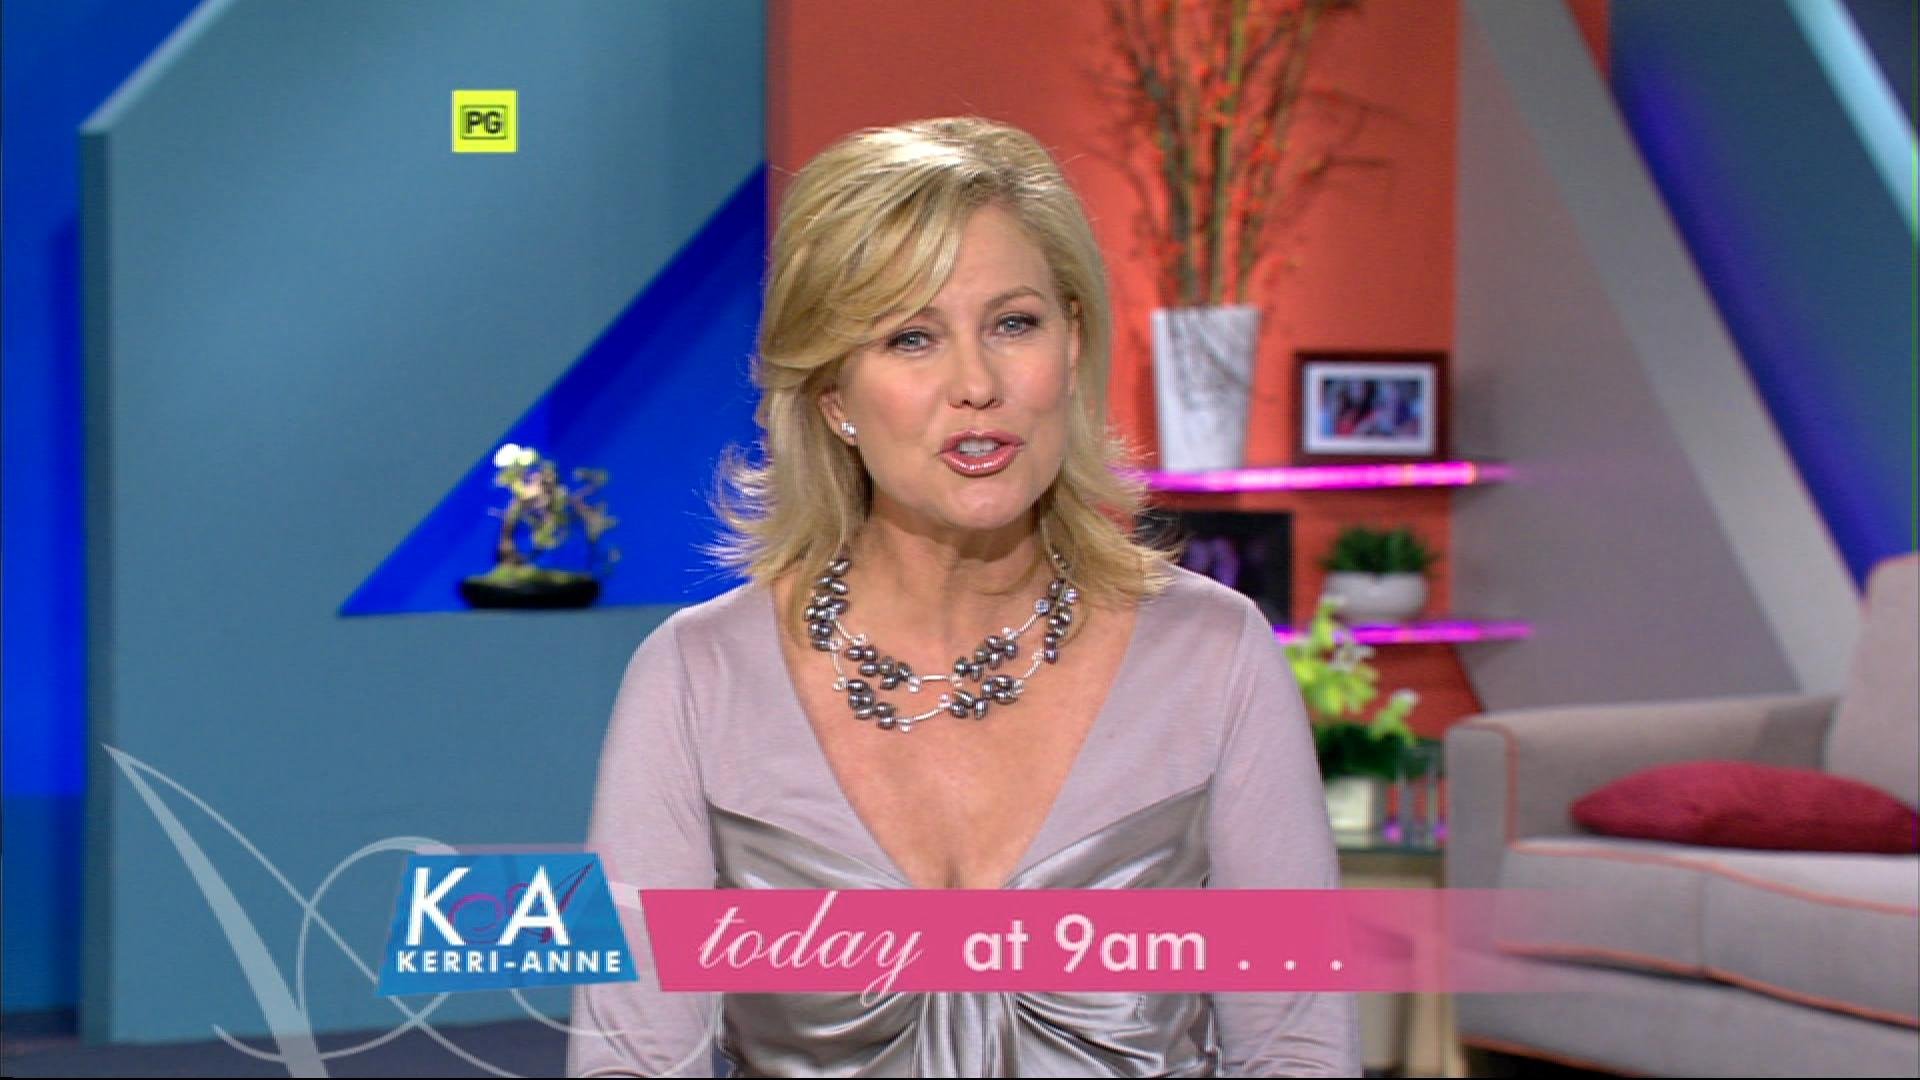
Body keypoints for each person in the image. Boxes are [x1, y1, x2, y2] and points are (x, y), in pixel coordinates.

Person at [567, 116, 1358, 1078]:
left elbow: (1297, 1047)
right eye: (911, 337)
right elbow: (634, 1058)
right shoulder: (698, 678)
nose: (976, 384)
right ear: (834, 396)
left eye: (1013, 324)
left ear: (1072, 343)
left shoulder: (1214, 653)